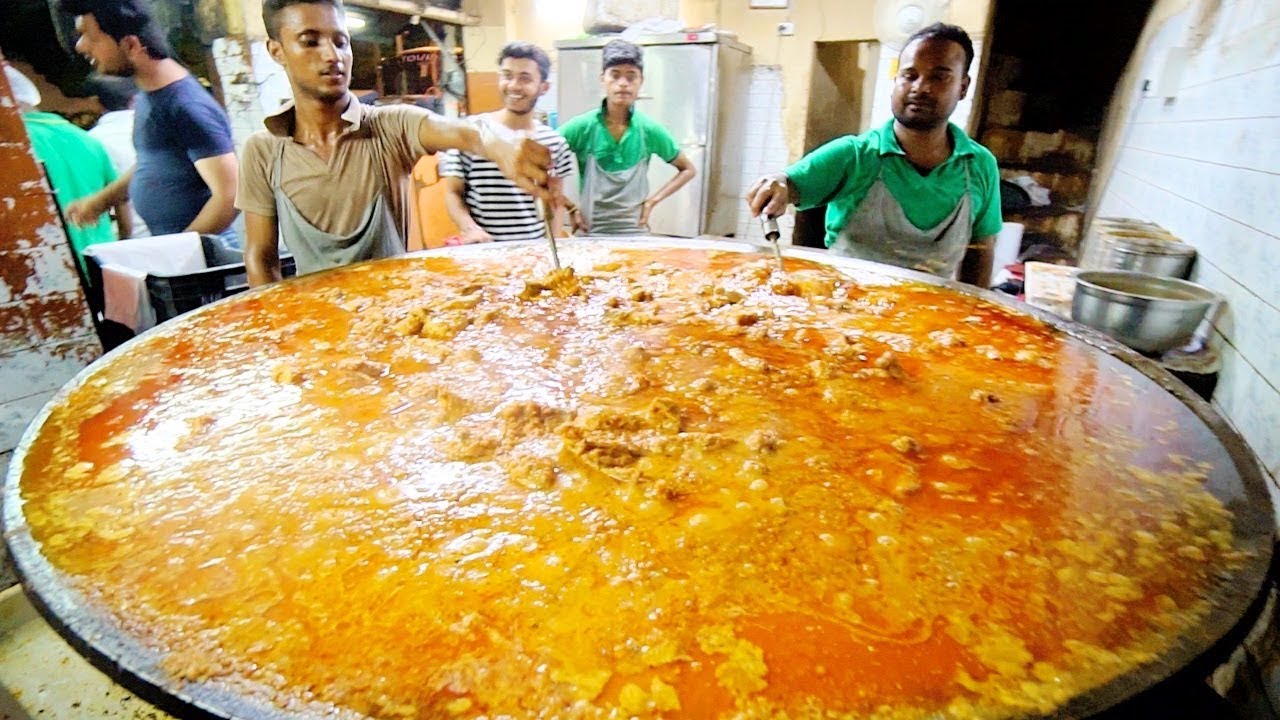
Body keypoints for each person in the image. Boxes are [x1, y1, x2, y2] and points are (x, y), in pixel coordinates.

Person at [236, 0, 553, 285]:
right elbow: (261, 259)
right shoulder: (263, 151)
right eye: (310, 42)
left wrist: (502, 142)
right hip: (314, 327)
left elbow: (464, 131)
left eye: (340, 41)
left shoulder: (389, 127)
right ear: (276, 51)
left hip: (394, 318)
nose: (332, 56)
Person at [746, 23, 1002, 286]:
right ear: (896, 80)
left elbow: (980, 251)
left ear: (963, 87)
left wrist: (974, 313)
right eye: (910, 75)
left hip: (929, 318)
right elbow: (789, 182)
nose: (920, 87)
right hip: (846, 311)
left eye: (938, 77)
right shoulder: (856, 155)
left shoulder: (979, 166)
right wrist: (776, 184)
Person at [61, 0, 239, 244]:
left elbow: (231, 193)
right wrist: (101, 201)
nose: (81, 47)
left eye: (90, 37)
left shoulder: (186, 106)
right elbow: (154, 161)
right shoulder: (152, 95)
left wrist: (176, 251)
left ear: (131, 45)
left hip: (205, 264)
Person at [440, 41, 575, 244]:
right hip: (484, 253)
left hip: (534, 255)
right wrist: (470, 229)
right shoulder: (470, 132)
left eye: (525, 78)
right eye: (507, 75)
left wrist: (554, 247)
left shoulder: (554, 143)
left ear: (544, 87)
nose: (513, 85)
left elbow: (555, 203)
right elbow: (452, 192)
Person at [558, 39, 696, 236]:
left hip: (635, 234)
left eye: (631, 77)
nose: (623, 83)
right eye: (615, 76)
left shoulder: (649, 130)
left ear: (641, 81)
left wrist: (652, 202)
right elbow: (537, 162)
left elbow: (688, 169)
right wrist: (569, 207)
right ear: (602, 79)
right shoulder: (582, 127)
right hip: (589, 234)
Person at [5, 63, 126, 270]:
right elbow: (122, 205)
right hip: (107, 263)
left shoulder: (16, 149)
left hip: (54, 268)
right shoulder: (88, 140)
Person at [87, 76, 148, 236]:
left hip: (129, 235)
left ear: (95, 102)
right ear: (134, 99)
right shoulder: (156, 130)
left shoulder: (90, 140)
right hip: (181, 231)